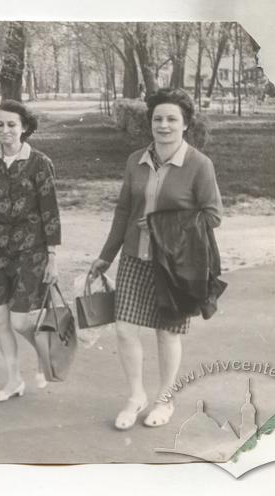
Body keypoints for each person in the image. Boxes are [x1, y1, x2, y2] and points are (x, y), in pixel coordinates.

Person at [90, 88, 222, 429]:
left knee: (167, 334)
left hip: (176, 265)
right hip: (135, 257)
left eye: (172, 119)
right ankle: (136, 396)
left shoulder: (199, 164)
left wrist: (161, 224)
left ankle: (165, 400)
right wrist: (106, 256)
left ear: (186, 124)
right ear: (150, 122)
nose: (164, 125)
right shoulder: (136, 160)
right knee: (123, 329)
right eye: (158, 118)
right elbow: (123, 211)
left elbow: (212, 215)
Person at [0, 100, 61, 402]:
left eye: (12, 124)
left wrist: (53, 256)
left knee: (20, 321)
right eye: (0, 124)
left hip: (32, 248)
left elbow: (50, 210)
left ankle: (45, 349)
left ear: (24, 127)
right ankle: (13, 379)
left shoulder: (40, 162)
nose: (5, 130)